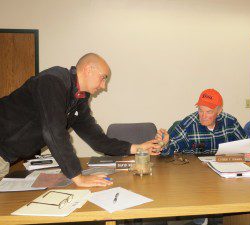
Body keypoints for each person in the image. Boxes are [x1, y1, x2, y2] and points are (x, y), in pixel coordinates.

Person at [0, 53, 161, 186]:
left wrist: (138, 148)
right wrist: (78, 177)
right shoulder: (53, 80)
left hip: (5, 156)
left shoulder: (79, 99)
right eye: (103, 78)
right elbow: (54, 132)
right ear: (89, 69)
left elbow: (98, 140)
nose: (103, 86)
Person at [157, 88, 250, 158]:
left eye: (209, 112)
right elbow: (168, 150)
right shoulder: (189, 124)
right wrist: (164, 145)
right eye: (200, 110)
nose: (203, 116)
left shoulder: (230, 122)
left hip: (225, 174)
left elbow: (247, 145)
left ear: (219, 111)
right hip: (194, 175)